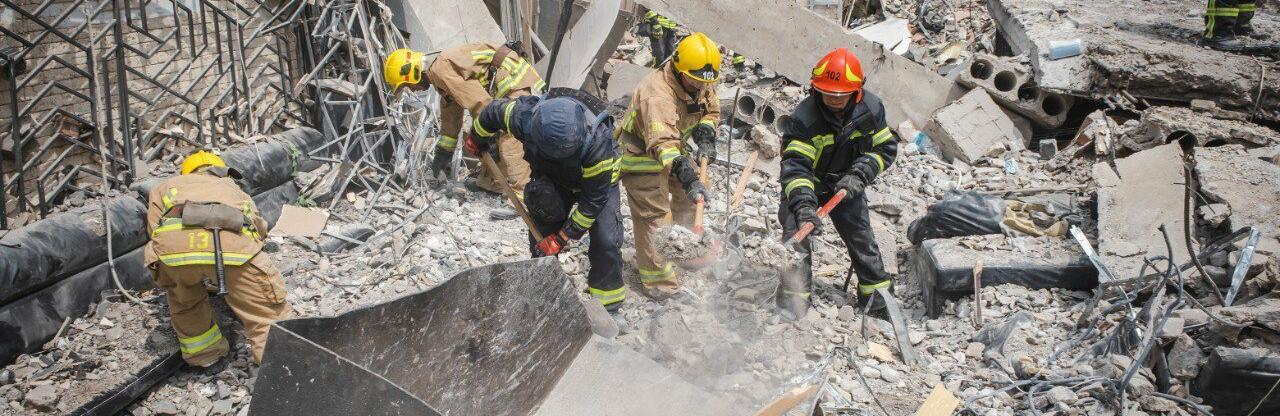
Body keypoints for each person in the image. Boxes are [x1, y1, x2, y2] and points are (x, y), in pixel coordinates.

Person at [469, 91, 627, 311]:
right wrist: (476, 138)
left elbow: (593, 202)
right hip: (554, 179)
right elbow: (491, 113)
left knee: (606, 239)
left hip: (599, 185)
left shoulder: (597, 144)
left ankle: (607, 304)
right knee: (542, 230)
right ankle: (542, 294)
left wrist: (563, 236)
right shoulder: (524, 117)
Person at [776, 48, 898, 318]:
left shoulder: (871, 110)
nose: (832, 99)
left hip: (847, 183)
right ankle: (794, 301)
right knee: (795, 237)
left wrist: (860, 174)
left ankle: (876, 299)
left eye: (840, 95)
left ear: (856, 92)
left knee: (861, 237)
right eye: (826, 93)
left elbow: (885, 149)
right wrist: (804, 206)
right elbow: (796, 167)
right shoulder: (805, 118)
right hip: (808, 183)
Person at [145, 151, 291, 366]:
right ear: (220, 171)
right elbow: (258, 227)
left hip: (174, 254)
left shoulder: (165, 187)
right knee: (264, 312)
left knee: (185, 302)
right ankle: (281, 366)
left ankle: (205, 356)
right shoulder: (232, 187)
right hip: (232, 250)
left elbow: (154, 229)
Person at [615, 32, 721, 299]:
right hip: (642, 153)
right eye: (695, 82)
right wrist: (689, 178)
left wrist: (706, 133)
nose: (701, 88)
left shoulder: (699, 78)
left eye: (705, 83)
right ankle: (659, 285)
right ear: (678, 68)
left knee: (694, 195)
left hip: (673, 146)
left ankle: (685, 250)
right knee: (656, 219)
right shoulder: (658, 94)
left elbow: (711, 109)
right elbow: (664, 145)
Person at [383, 45, 545, 195]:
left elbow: (480, 103)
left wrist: (489, 135)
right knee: (483, 135)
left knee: (506, 134)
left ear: (412, 73)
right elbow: (451, 114)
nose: (412, 90)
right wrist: (443, 152)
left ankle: (525, 196)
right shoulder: (438, 73)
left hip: (513, 79)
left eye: (407, 85)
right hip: (505, 80)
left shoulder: (440, 69)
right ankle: (492, 183)